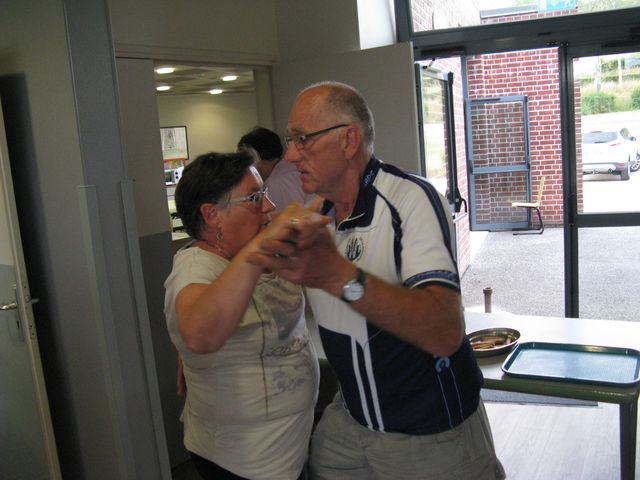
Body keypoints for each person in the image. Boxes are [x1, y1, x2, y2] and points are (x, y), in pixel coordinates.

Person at [247, 81, 506, 479]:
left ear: (349, 140)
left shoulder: (409, 199)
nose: (291, 154)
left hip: (430, 434)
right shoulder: (316, 216)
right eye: (290, 139)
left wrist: (338, 276)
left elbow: (444, 331)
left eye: (302, 139)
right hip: (350, 421)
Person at [163, 151, 324, 480]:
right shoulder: (198, 267)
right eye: (254, 198)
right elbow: (198, 334)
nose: (269, 206)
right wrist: (256, 251)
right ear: (212, 215)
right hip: (241, 464)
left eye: (263, 193)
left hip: (288, 451)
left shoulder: (259, 249)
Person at [238, 126, 314, 209]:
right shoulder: (292, 168)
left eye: (246, 159)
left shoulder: (276, 184)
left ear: (258, 157)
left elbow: (289, 219)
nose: (243, 166)